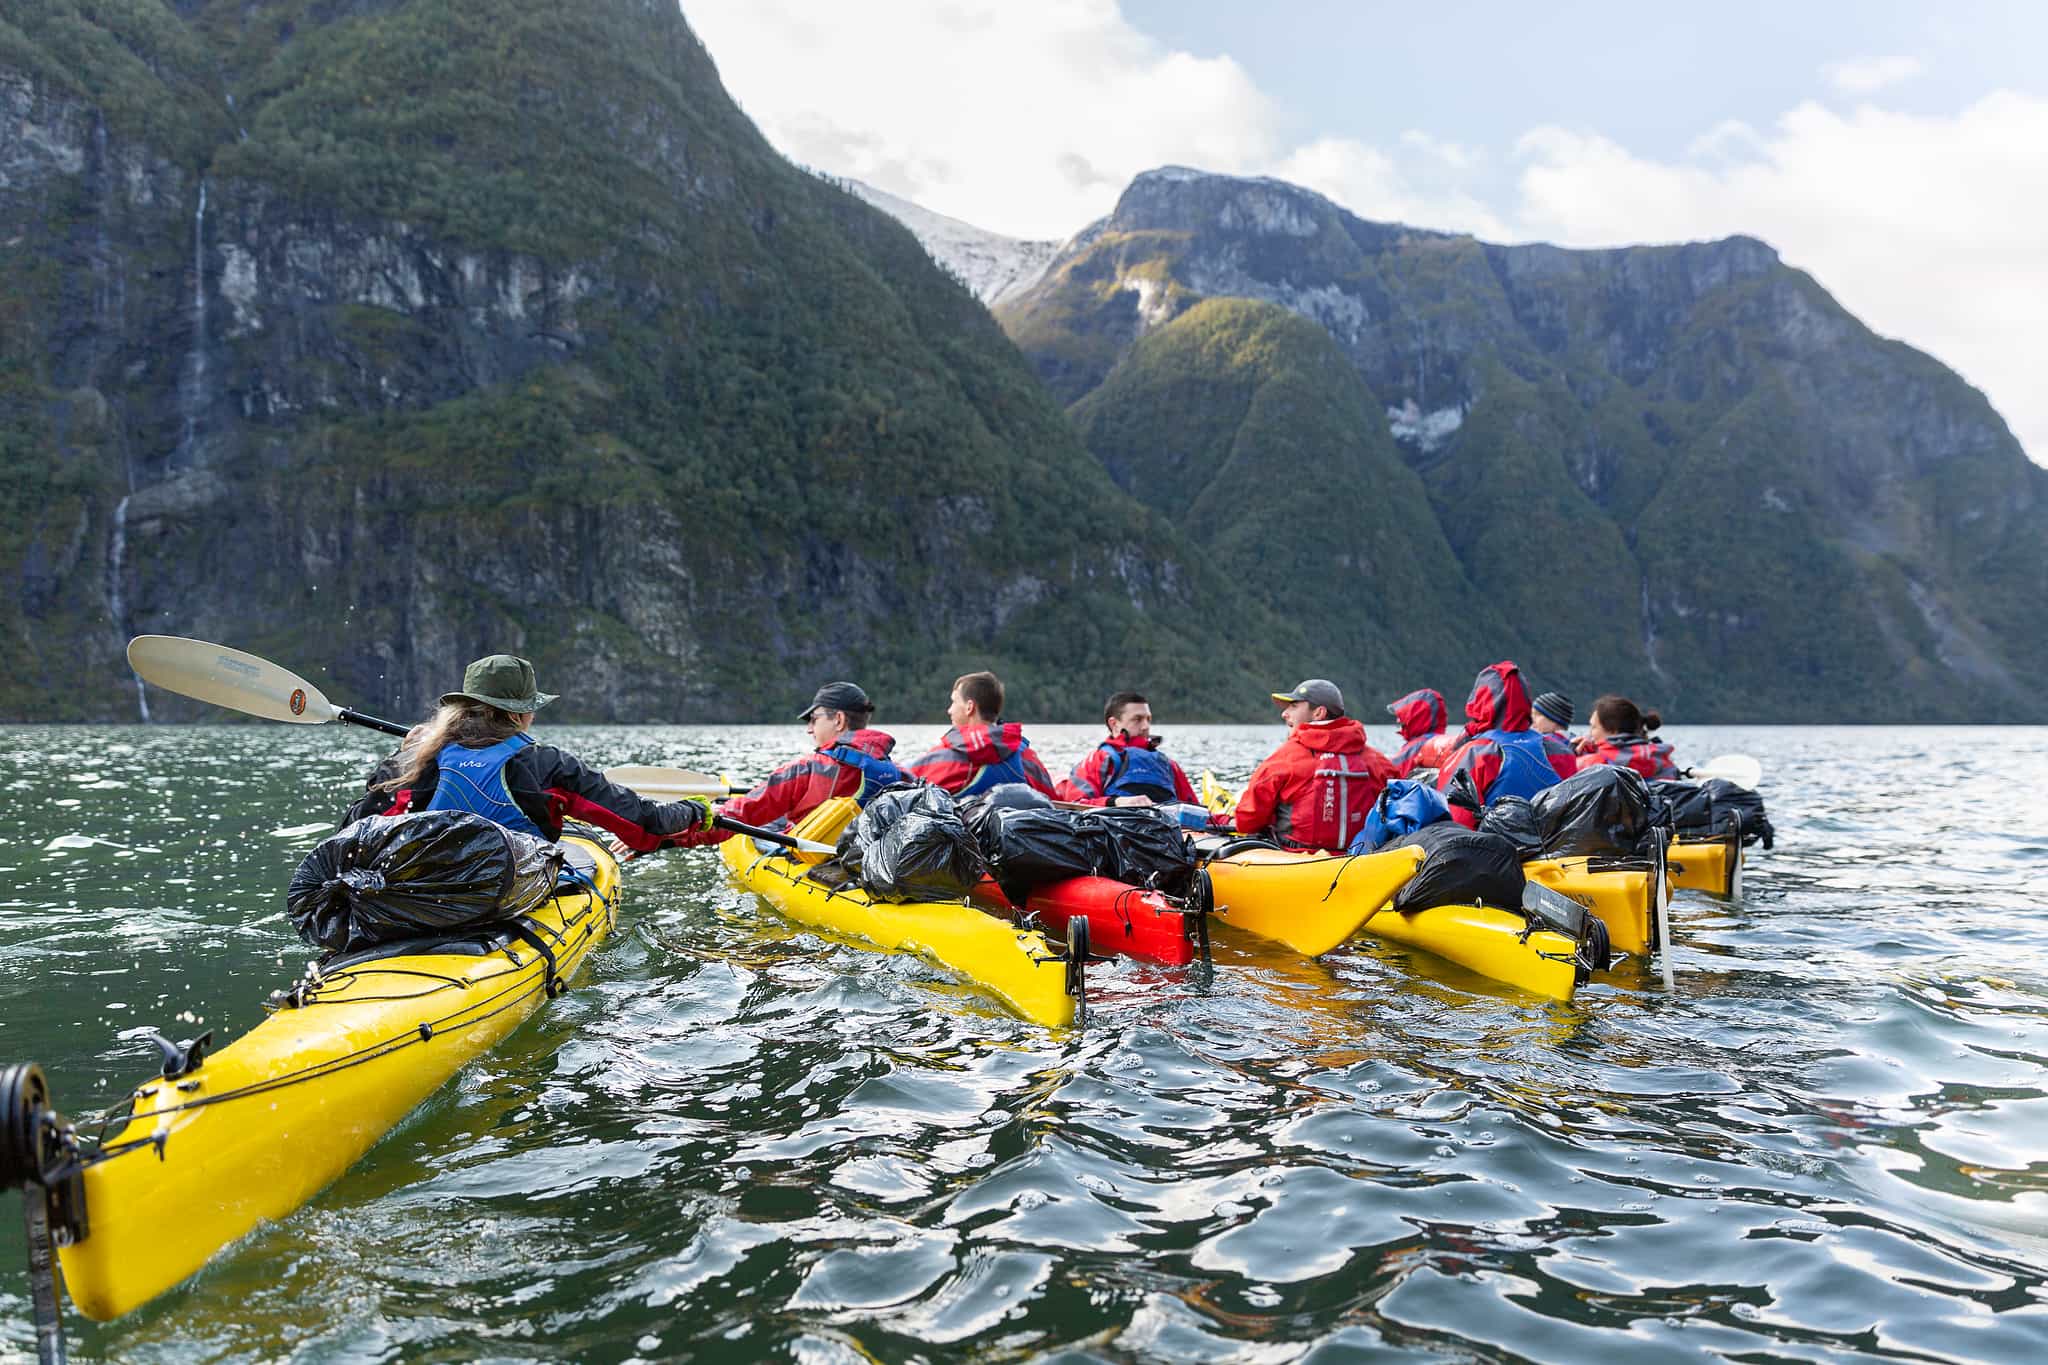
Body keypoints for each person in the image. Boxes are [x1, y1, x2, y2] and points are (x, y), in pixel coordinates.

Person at [341, 654, 717, 851]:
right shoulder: (547, 765)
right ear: (520, 713)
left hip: (418, 889)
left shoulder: (412, 761)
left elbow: (354, 831)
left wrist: (403, 754)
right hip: (501, 894)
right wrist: (694, 810)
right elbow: (643, 825)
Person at [718, 682, 906, 832]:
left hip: (811, 859)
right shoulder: (898, 773)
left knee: (768, 825)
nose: (809, 729)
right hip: (862, 859)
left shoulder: (806, 769)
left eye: (814, 719)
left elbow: (744, 812)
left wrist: (696, 820)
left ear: (838, 720)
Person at [1232, 679, 1395, 851]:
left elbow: (1247, 821)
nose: (1285, 713)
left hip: (1296, 859)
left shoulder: (1285, 758)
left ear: (1319, 713)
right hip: (1358, 859)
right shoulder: (1378, 761)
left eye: (1294, 706)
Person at [1434, 660, 1572, 828]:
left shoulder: (1474, 753)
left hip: (1494, 850)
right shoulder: (1562, 751)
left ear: (1480, 701)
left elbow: (1453, 824)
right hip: (1553, 848)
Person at [905, 671, 1057, 797]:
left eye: (954, 702)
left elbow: (904, 783)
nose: (949, 710)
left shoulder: (944, 758)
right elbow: (1053, 798)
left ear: (969, 707)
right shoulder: (1028, 758)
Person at [1057, 691, 1202, 808]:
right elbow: (1074, 805)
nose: (1145, 726)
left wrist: (1223, 820)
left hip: (1165, 832)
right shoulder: (1098, 760)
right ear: (1114, 724)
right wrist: (1117, 802)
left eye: (1148, 719)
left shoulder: (1168, 764)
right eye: (1137, 719)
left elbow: (1196, 809)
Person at [1575, 694, 1679, 779]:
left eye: (1594, 727)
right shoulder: (1661, 758)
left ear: (1613, 731)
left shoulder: (1596, 762)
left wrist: (1574, 753)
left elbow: (1568, 775)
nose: (1590, 733)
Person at [1385, 687, 1449, 778]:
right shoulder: (1437, 741)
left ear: (1415, 717)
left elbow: (1390, 772)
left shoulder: (1417, 746)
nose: (1399, 721)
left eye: (1403, 717)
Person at [1529, 690, 1580, 779]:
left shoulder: (1542, 743)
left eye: (1537, 715)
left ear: (1555, 719)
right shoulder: (1578, 742)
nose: (1532, 720)